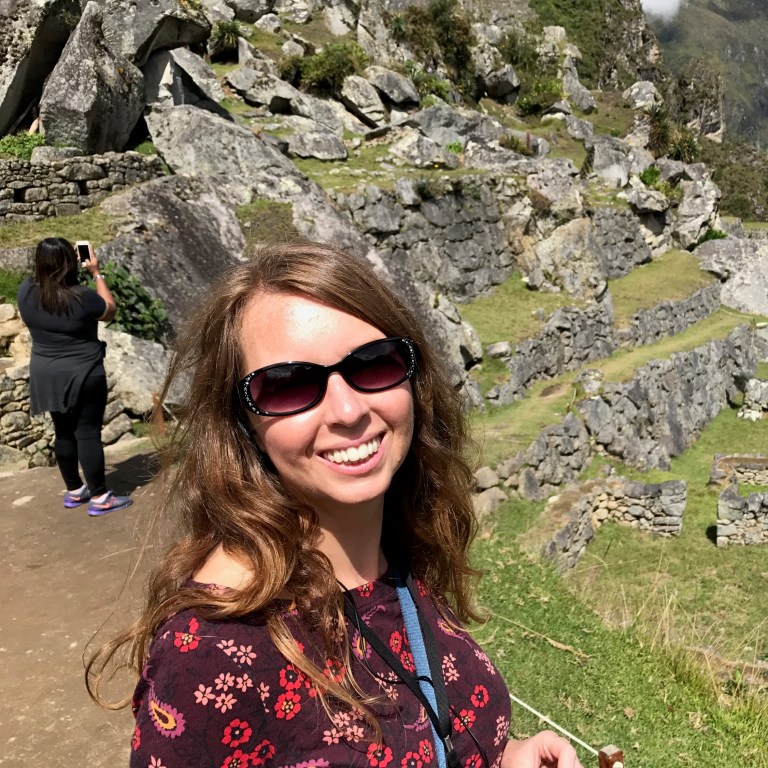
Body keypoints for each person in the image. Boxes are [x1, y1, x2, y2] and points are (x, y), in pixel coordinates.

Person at [87, 242, 583, 768]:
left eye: (374, 363)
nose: (347, 411)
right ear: (243, 424)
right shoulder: (214, 654)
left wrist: (504, 757)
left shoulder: (394, 553)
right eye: (288, 385)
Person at [16, 238, 133, 515]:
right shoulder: (82, 297)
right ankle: (100, 497)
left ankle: (75, 490)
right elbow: (110, 309)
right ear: (70, 263)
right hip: (84, 371)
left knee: (63, 431)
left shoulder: (26, 290)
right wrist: (96, 272)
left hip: (46, 372)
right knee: (87, 432)